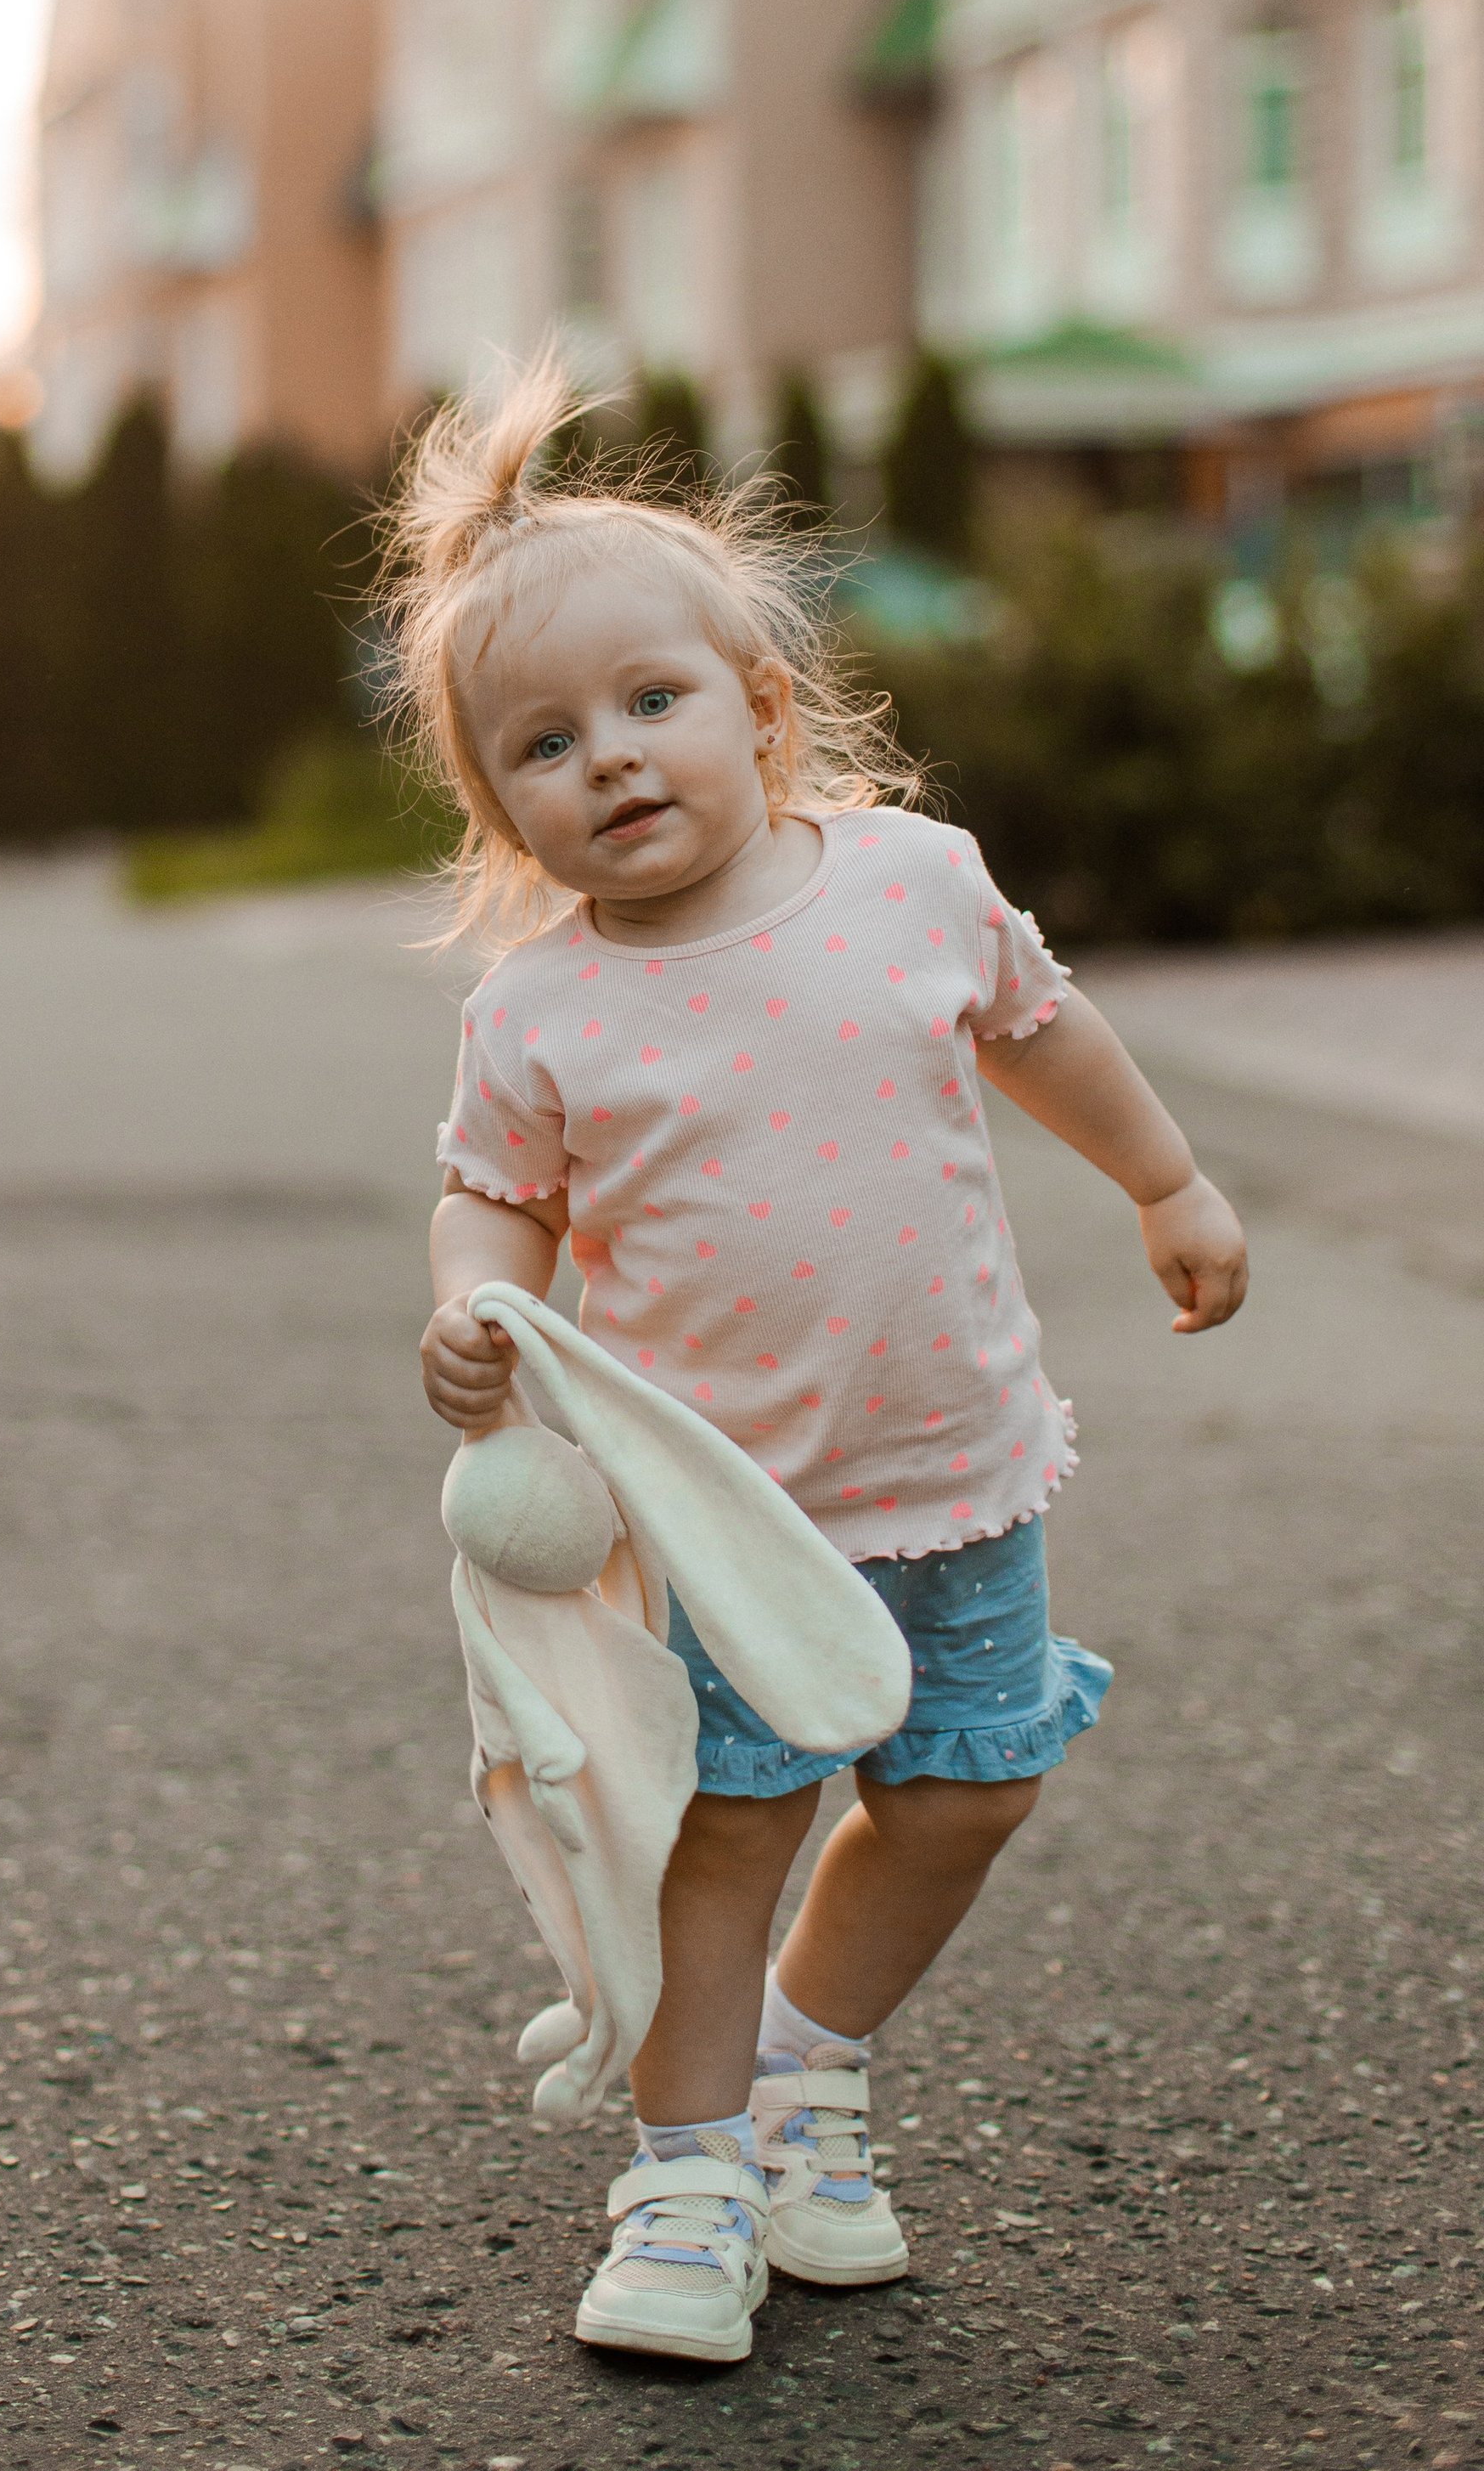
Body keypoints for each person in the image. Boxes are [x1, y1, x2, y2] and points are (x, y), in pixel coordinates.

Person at [385, 354, 1248, 2367]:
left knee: (967, 1784)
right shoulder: (541, 1014)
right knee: (732, 1829)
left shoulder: (907, 889)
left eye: (650, 704)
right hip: (728, 1514)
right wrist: (468, 1308)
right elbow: (488, 1199)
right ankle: (683, 2176)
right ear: (493, 802)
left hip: (956, 1471)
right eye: (539, 743)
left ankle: (802, 2067)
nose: (604, 759)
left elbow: (1045, 1033)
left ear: (761, 712)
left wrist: (1168, 1183)